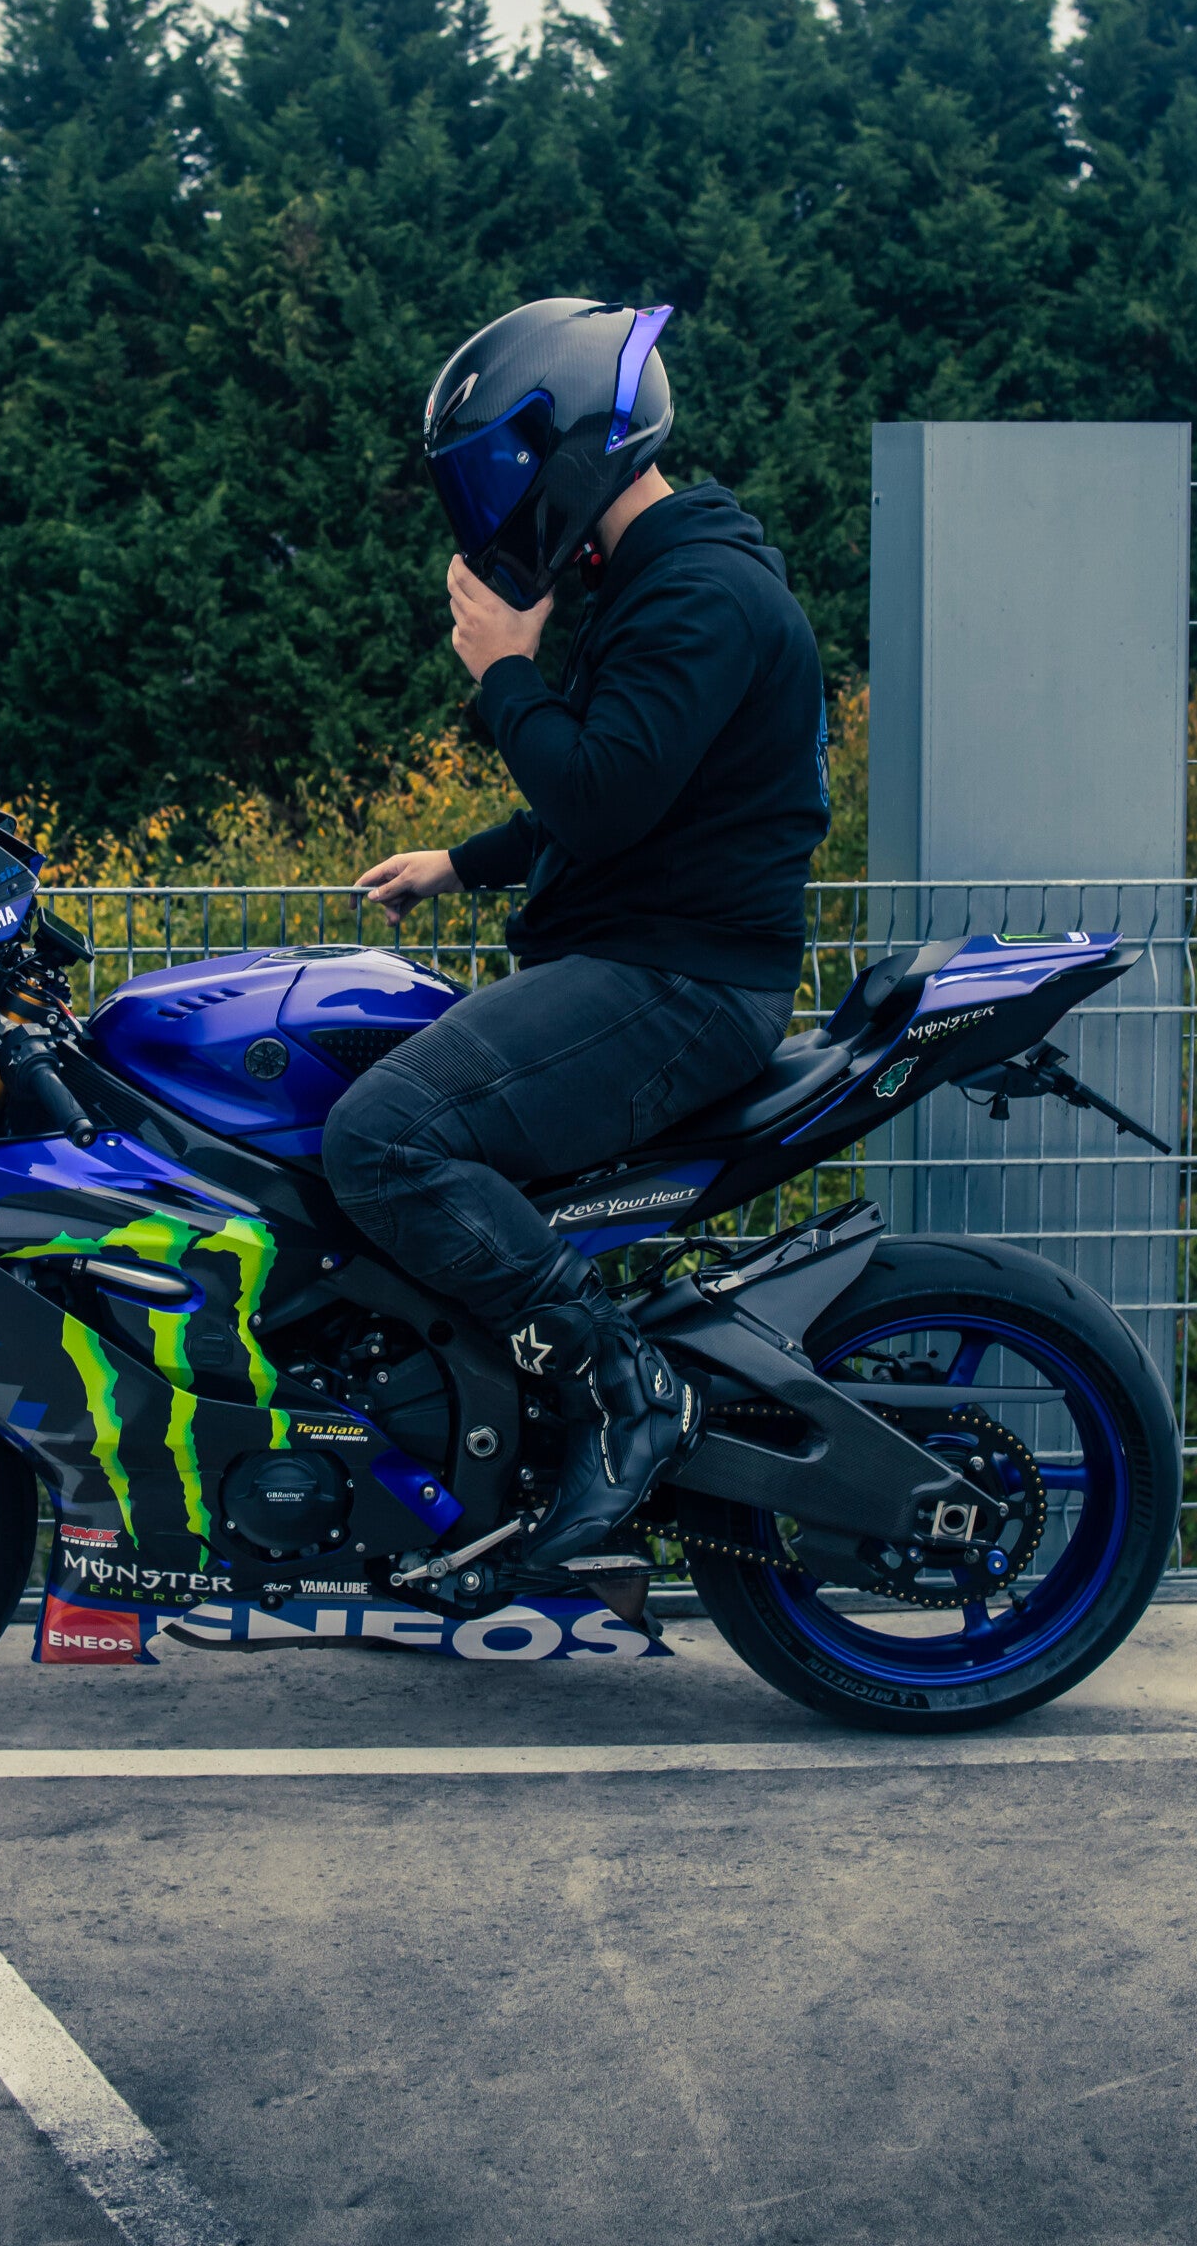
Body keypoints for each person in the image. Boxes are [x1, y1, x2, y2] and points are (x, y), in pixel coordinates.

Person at [321, 297, 829, 1574]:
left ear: (570, 445)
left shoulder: (700, 594)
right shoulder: (664, 579)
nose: (488, 506)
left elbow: (600, 796)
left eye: (499, 466)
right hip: (654, 959)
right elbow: (628, 789)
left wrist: (504, 667)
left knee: (381, 1140)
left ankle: (622, 1388)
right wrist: (461, 863)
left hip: (678, 980)